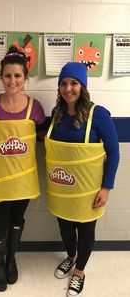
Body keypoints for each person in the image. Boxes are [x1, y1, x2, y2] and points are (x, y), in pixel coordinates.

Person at [45, 62, 119, 297]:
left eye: (74, 83)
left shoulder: (99, 116)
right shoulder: (56, 115)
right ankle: (71, 256)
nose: (68, 88)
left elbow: (114, 152)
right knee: (65, 227)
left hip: (88, 189)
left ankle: (79, 271)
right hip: (62, 187)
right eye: (64, 83)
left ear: (83, 86)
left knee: (85, 230)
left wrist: (106, 187)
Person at [0, 45, 45, 292]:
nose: (12, 80)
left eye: (18, 76)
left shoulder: (35, 109)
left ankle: (11, 257)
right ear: (1, 78)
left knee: (17, 220)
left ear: (25, 79)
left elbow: (40, 141)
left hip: (23, 182)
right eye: (7, 76)